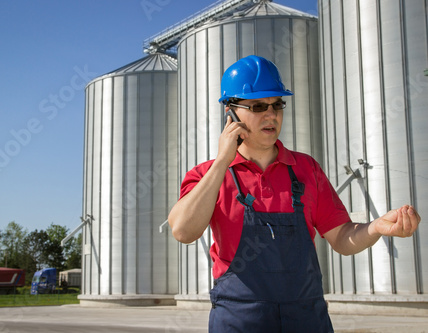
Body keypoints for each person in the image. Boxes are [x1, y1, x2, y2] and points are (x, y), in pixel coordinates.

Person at [167, 55, 421, 332]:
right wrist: (221, 162)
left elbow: (342, 239)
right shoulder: (207, 175)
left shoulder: (306, 169)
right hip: (240, 319)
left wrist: (375, 228)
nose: (271, 115)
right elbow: (183, 231)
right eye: (258, 106)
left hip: (306, 317)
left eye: (277, 105)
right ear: (231, 112)